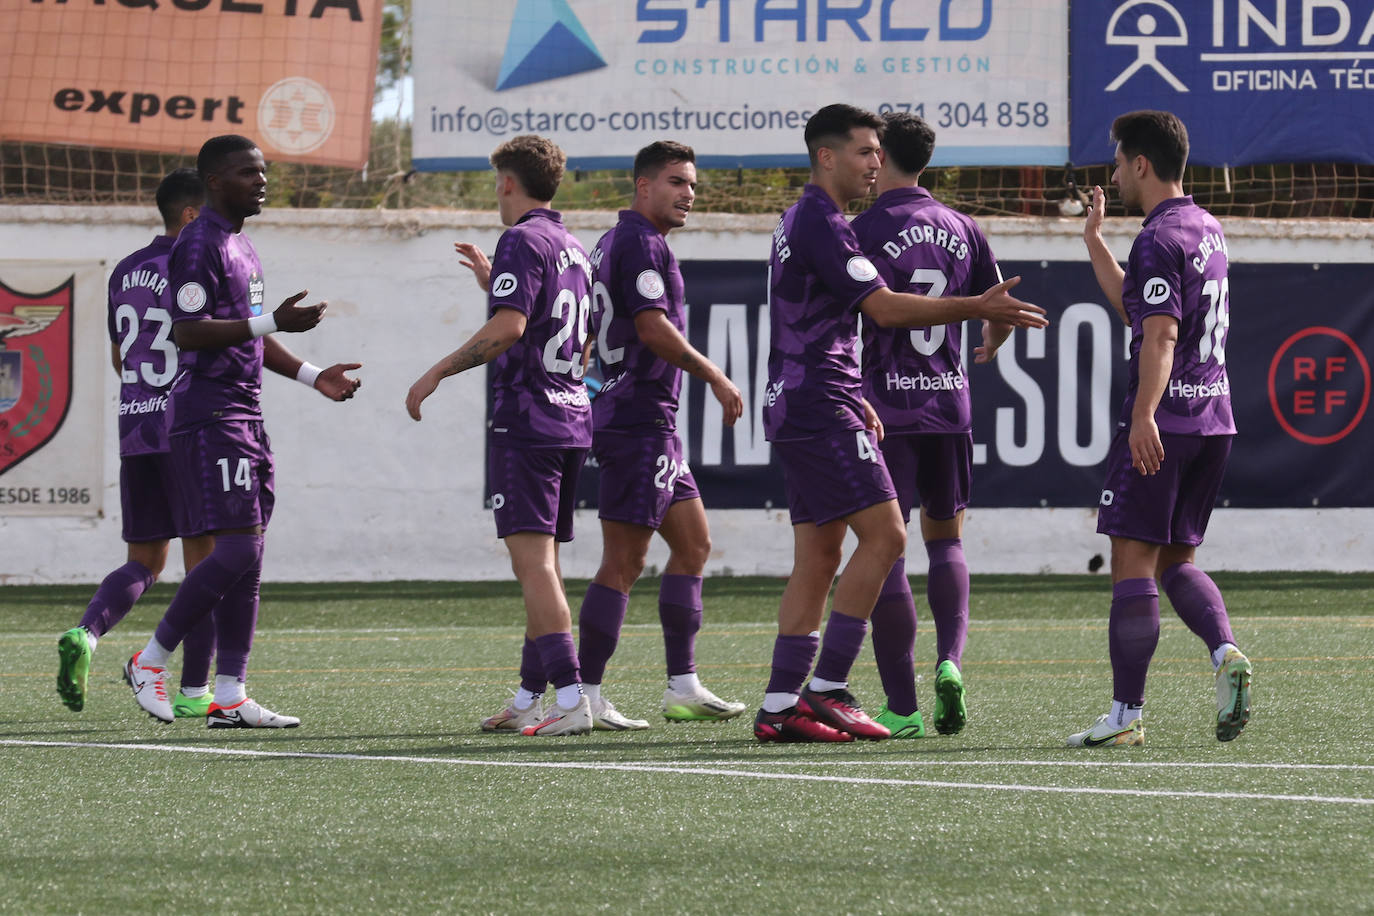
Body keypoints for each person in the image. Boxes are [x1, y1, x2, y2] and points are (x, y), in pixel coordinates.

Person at [755, 103, 1047, 743]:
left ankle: (779, 708)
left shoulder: (804, 219)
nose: (874, 163)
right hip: (828, 403)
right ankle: (828, 688)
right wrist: (975, 305)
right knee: (888, 537)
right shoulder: (826, 222)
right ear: (827, 156)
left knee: (818, 554)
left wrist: (851, 387)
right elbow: (882, 310)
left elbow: (821, 322)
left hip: (813, 395)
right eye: (863, 151)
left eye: (879, 152)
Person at [124, 134, 362, 728]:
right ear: (213, 182)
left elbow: (250, 332)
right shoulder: (199, 242)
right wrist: (272, 319)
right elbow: (189, 331)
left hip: (245, 414)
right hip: (209, 416)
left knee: (250, 559)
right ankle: (150, 660)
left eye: (263, 170)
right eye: (247, 172)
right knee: (237, 549)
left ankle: (229, 694)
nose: (261, 180)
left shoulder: (242, 245)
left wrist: (313, 376)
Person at [1070, 109, 1251, 747]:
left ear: (1141, 164)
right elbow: (1140, 307)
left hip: (1165, 422)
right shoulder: (1207, 227)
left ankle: (1125, 716)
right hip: (1214, 418)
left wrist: (1144, 413)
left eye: (1118, 162)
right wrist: (1095, 241)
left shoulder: (1157, 236)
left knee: (1132, 561)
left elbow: (1161, 331)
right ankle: (1225, 651)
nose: (1115, 173)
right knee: (1178, 558)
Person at [406, 134, 595, 737]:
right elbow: (570, 336)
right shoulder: (573, 247)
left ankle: (571, 699)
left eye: (496, 184)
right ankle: (528, 697)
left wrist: (436, 368)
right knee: (546, 567)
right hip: (570, 416)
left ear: (508, 183)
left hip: (529, 422)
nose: (496, 194)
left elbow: (511, 327)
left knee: (534, 566)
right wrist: (495, 283)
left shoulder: (520, 238)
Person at [850, 112, 1014, 739]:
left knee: (882, 546)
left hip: (882, 409)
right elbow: (995, 305)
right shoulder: (962, 227)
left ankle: (902, 705)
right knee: (945, 541)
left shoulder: (860, 229)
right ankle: (950, 661)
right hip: (948, 404)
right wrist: (991, 344)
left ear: (882, 154)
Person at [574, 140, 748, 730]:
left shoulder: (615, 241)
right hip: (634, 421)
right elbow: (651, 328)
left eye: (692, 184)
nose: (687, 194)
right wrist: (716, 375)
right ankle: (586, 694)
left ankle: (683, 686)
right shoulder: (640, 243)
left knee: (694, 543)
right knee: (623, 561)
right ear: (642, 186)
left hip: (651, 423)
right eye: (675, 181)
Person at [56, 168, 217, 718]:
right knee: (209, 564)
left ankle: (86, 633)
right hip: (187, 427)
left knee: (145, 561)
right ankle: (198, 693)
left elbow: (120, 357)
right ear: (192, 215)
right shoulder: (198, 263)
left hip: (136, 426)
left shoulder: (124, 270)